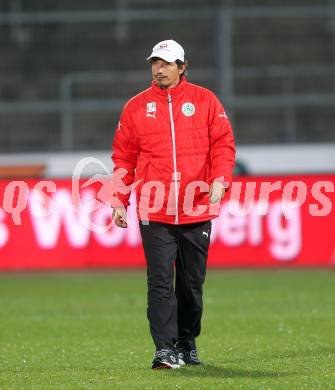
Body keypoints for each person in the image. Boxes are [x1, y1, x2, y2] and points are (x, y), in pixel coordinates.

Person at [111, 39, 235, 369]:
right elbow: (124, 157)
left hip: (196, 207)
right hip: (155, 210)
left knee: (191, 285)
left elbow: (224, 145)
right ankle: (164, 349)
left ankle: (186, 341)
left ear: (182, 67)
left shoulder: (206, 101)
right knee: (160, 282)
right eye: (155, 62)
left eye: (166, 63)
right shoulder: (136, 107)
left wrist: (221, 178)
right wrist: (118, 200)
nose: (159, 68)